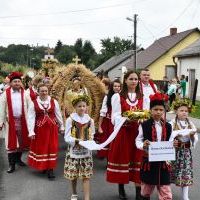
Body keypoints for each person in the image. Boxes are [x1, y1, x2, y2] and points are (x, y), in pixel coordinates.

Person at [107, 70, 143, 200]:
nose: (134, 81)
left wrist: (142, 118)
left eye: (136, 79)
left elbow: (146, 113)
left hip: (138, 133)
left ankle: (138, 191)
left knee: (138, 161)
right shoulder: (118, 96)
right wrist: (126, 119)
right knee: (123, 159)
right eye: (131, 79)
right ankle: (121, 186)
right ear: (125, 81)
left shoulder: (142, 96)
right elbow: (114, 116)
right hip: (123, 132)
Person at [136, 92, 173, 200]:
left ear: (164, 111)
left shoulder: (168, 126)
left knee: (166, 191)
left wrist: (173, 145)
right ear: (150, 110)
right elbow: (138, 140)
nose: (158, 112)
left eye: (161, 110)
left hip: (163, 163)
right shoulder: (144, 125)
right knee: (146, 190)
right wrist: (143, 144)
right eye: (155, 109)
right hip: (149, 162)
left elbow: (170, 141)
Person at [27, 83, 64, 180]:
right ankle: (44, 166)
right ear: (38, 92)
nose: (44, 93)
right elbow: (30, 118)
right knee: (42, 148)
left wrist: (62, 126)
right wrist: (31, 131)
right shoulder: (34, 103)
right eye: (42, 91)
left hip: (52, 129)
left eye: (46, 91)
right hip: (40, 130)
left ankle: (50, 169)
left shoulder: (53, 101)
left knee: (52, 147)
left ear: (48, 92)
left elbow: (58, 114)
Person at [64, 95, 95, 200]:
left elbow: (92, 134)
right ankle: (74, 193)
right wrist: (77, 141)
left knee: (86, 176)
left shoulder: (90, 120)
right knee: (73, 174)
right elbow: (67, 137)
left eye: (84, 106)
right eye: (79, 106)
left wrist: (90, 142)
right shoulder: (70, 120)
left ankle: (87, 197)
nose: (82, 108)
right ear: (75, 107)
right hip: (74, 151)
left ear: (86, 107)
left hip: (86, 152)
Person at [0, 72, 30, 173]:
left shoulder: (25, 93)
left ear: (21, 83)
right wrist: (1, 122)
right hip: (10, 122)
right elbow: (1, 109)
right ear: (11, 83)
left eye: (18, 81)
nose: (17, 83)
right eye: (15, 81)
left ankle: (18, 159)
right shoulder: (5, 94)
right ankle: (11, 165)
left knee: (21, 143)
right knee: (11, 143)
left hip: (23, 121)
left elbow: (30, 106)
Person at [169, 99, 198, 200]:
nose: (184, 112)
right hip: (174, 152)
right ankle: (167, 193)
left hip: (185, 153)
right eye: (181, 110)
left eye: (186, 111)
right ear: (176, 111)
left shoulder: (190, 123)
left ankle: (185, 197)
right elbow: (169, 136)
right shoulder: (172, 123)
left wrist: (192, 136)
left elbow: (194, 138)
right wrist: (176, 136)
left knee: (185, 174)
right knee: (171, 172)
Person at [97, 79, 121, 159]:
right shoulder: (107, 97)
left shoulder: (123, 97)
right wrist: (100, 126)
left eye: (118, 86)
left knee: (116, 141)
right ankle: (109, 160)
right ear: (112, 87)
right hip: (108, 122)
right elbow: (103, 112)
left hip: (118, 122)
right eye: (115, 86)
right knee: (107, 140)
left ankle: (114, 159)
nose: (117, 88)